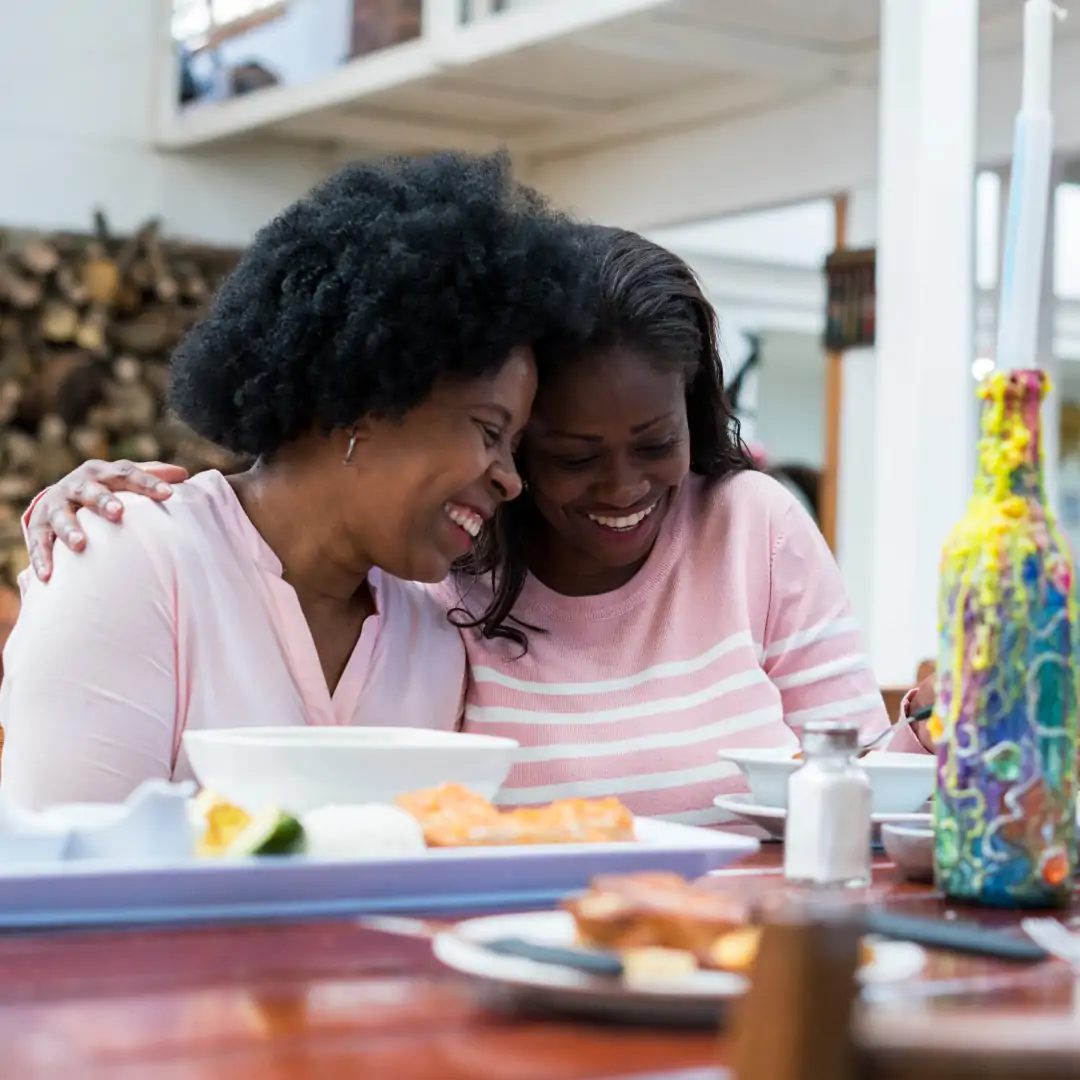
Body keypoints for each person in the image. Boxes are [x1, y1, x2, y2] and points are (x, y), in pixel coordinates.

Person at [18, 226, 932, 827]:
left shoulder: (421, 616)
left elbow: (863, 785)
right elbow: (51, 892)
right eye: (530, 444)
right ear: (366, 403)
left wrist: (929, 735)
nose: (507, 474)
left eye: (655, 441)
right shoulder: (438, 586)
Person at [0, 150, 585, 809]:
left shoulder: (437, 631)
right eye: (488, 430)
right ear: (371, 392)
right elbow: (69, 872)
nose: (511, 481)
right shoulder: (129, 562)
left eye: (514, 447)